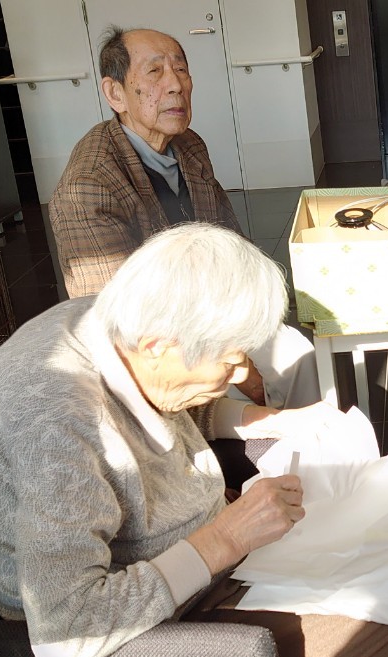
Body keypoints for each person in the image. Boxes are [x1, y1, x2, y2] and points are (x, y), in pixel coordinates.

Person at [0, 223, 388, 657]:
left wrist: (270, 420)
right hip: (148, 626)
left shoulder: (109, 322)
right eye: (229, 359)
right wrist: (226, 537)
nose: (242, 372)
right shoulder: (57, 425)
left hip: (195, 549)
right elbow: (67, 635)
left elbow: (161, 399)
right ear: (159, 346)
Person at [49, 26, 316, 412]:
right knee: (261, 389)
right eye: (154, 72)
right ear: (115, 93)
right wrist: (242, 370)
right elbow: (118, 320)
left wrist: (252, 311)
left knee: (295, 352)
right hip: (158, 353)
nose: (175, 85)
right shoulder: (89, 185)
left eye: (181, 70)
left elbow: (231, 241)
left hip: (213, 308)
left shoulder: (188, 145)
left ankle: (305, 441)